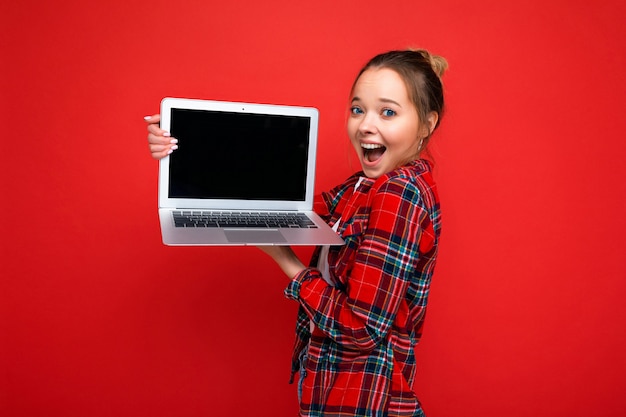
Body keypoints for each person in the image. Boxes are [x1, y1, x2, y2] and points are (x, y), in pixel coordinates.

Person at [145, 49, 447, 417]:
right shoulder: (364, 187)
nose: (365, 125)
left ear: (427, 123)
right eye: (357, 109)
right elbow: (289, 205)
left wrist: (287, 262)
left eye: (388, 112)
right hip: (335, 394)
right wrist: (185, 144)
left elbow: (362, 330)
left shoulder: (399, 193)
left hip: (363, 402)